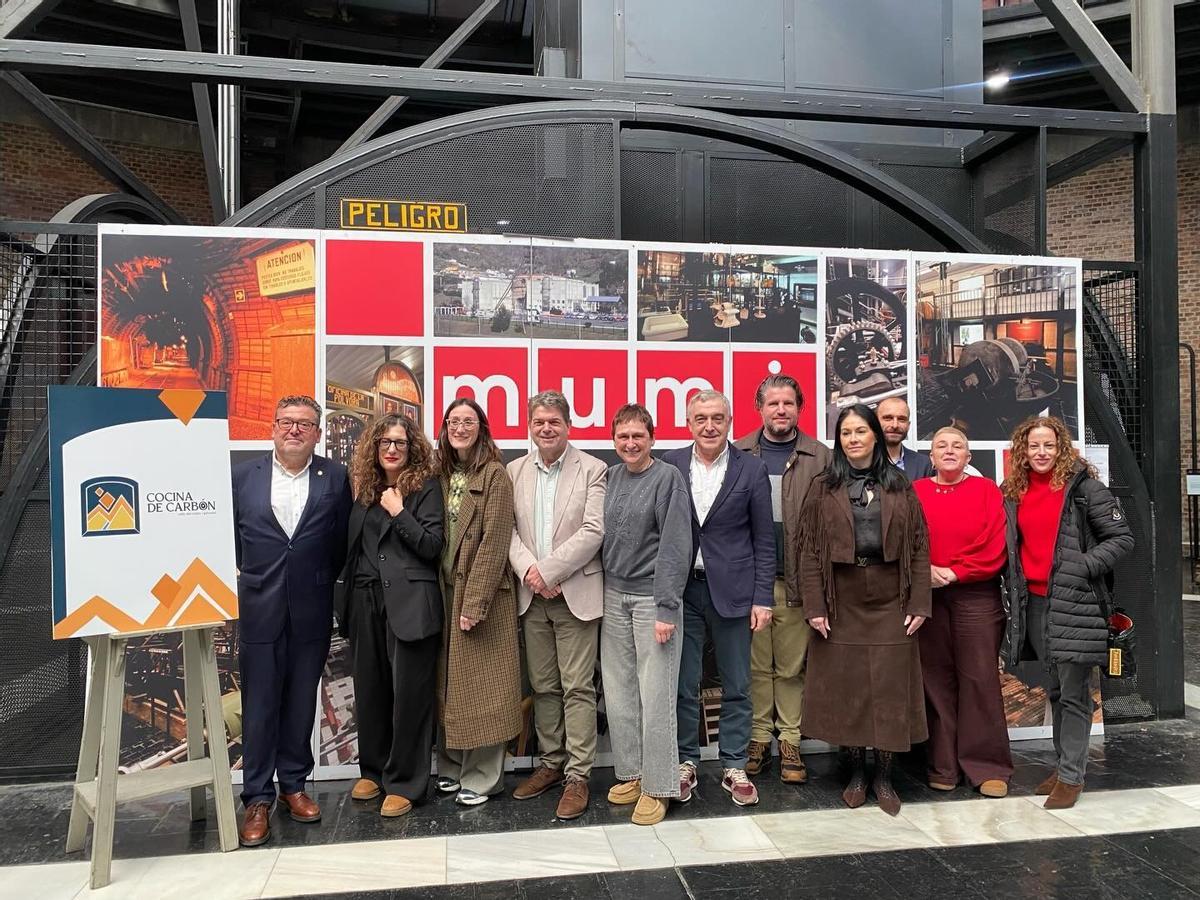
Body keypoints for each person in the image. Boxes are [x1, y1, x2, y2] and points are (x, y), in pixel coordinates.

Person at [231, 395, 352, 846]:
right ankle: (258, 797)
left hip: (312, 608)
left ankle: (294, 787)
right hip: (260, 607)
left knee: (302, 703)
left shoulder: (335, 478)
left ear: (318, 433)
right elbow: (234, 539)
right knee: (260, 706)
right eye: (286, 422)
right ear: (273, 427)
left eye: (305, 424)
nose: (295, 430)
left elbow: (338, 544)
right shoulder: (244, 476)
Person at [799, 403, 931, 816]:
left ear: (876, 435)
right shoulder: (823, 486)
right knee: (850, 688)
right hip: (842, 597)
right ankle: (856, 773)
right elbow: (807, 549)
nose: (853, 439)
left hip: (892, 594)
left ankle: (885, 777)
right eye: (845, 433)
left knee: (889, 690)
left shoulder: (901, 485)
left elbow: (919, 546)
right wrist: (815, 604)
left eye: (860, 431)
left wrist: (920, 601)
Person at [1002, 415, 1133, 810]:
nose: (1041, 453)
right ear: (1023, 451)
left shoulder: (1085, 490)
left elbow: (1122, 538)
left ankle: (1072, 778)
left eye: (1049, 445)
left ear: (1062, 449)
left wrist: (1081, 566)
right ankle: (1063, 767)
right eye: (1033, 445)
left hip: (1076, 604)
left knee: (1074, 693)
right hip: (1036, 605)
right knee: (1056, 690)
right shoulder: (1014, 491)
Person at [664, 390, 775, 808]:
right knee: (683, 684)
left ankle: (733, 764)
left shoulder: (752, 468)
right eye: (700, 418)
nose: (709, 426)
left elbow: (765, 540)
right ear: (688, 423)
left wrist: (762, 598)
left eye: (717, 418)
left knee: (738, 685)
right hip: (682, 591)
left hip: (734, 592)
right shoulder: (670, 464)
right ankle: (685, 762)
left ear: (730, 421)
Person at [335, 414, 444, 818]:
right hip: (365, 600)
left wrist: (399, 512)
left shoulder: (425, 488)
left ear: (412, 448)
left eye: (400, 442)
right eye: (384, 443)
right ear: (374, 448)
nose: (392, 449)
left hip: (409, 604)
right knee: (371, 691)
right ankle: (374, 770)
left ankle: (405, 783)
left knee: (410, 698)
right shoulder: (364, 490)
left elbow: (432, 545)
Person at [507, 391, 607, 820]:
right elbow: (507, 531)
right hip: (533, 595)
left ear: (569, 425)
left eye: (554, 421)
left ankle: (579, 774)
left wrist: (549, 571)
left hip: (574, 595)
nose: (546, 428)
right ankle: (551, 763)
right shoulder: (513, 471)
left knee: (577, 687)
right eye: (539, 422)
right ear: (529, 426)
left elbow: (593, 531)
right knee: (543, 686)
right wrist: (532, 571)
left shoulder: (594, 469)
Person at [735, 373, 830, 784]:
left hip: (796, 581)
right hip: (750, 583)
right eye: (772, 404)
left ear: (799, 408)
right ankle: (758, 737)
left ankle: (790, 740)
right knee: (755, 668)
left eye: (788, 403)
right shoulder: (738, 453)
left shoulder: (821, 457)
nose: (780, 411)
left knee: (791, 669)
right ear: (760, 409)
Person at [601, 404, 692, 826]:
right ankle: (634, 774)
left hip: (651, 603)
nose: (630, 444)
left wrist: (666, 607)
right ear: (614, 439)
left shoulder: (667, 478)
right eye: (623, 437)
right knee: (620, 694)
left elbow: (676, 546)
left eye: (638, 435)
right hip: (612, 597)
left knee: (656, 696)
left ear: (652, 438)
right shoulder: (612, 476)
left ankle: (659, 787)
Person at [912, 427, 1011, 798]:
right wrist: (924, 571)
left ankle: (988, 767)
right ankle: (943, 765)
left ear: (969, 457)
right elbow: (905, 537)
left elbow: (994, 541)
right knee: (935, 682)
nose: (950, 450)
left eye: (958, 446)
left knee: (979, 679)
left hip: (975, 596)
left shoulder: (986, 490)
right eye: (942, 446)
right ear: (931, 457)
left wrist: (956, 572)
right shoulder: (916, 491)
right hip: (928, 597)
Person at [435, 397, 522, 806]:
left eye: (468, 421)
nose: (460, 428)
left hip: (480, 598)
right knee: (449, 687)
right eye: (454, 421)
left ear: (481, 427)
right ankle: (452, 766)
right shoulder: (439, 473)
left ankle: (484, 776)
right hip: (442, 594)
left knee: (485, 690)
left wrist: (475, 603)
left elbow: (494, 543)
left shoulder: (495, 475)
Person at [876, 397, 933, 481]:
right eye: (888, 418)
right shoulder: (862, 462)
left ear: (908, 425)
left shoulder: (924, 464)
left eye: (901, 419)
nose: (895, 425)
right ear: (875, 422)